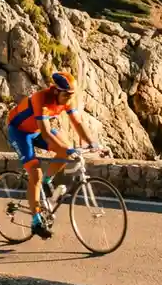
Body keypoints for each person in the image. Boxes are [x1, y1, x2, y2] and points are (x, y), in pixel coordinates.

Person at [6, 70, 98, 239]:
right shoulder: (41, 99)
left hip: (36, 130)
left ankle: (46, 182)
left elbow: (77, 122)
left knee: (65, 149)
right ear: (56, 91)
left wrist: (93, 143)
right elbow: (47, 133)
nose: (69, 99)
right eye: (66, 95)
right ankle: (36, 221)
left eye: (71, 95)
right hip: (19, 132)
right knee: (35, 173)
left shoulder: (68, 99)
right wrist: (67, 150)